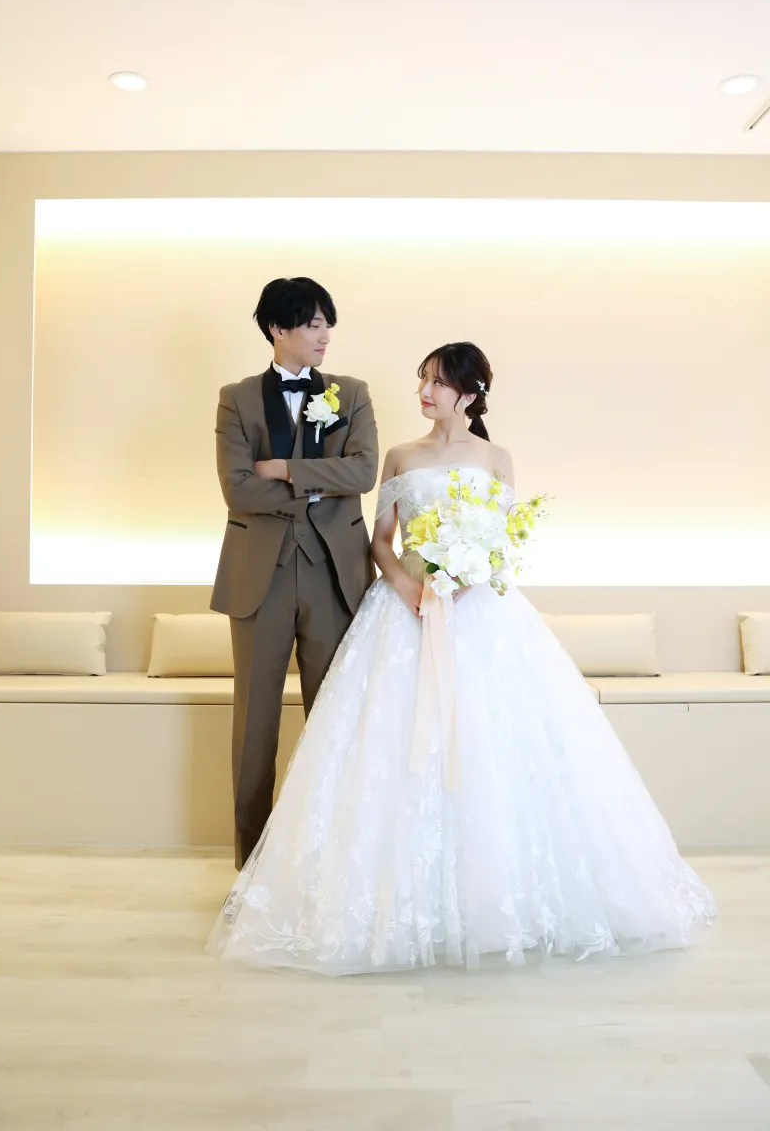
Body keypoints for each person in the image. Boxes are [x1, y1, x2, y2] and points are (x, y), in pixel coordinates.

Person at [207, 341, 716, 973]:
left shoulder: (496, 458)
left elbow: (503, 543)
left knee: (491, 745)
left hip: (480, 613)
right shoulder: (400, 455)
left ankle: (491, 898)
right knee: (389, 746)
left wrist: (469, 576)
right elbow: (381, 541)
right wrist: (408, 587)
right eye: (422, 380)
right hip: (404, 612)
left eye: (438, 383)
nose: (424, 392)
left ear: (469, 395)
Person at [210, 277, 378, 867]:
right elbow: (237, 490)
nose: (324, 336)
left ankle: (329, 864)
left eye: (327, 324)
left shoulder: (350, 393)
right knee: (254, 725)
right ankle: (250, 866)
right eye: (312, 325)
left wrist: (284, 468)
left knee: (333, 721)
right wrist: (316, 486)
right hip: (260, 577)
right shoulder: (236, 398)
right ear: (277, 329)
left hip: (336, 574)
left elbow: (363, 474)